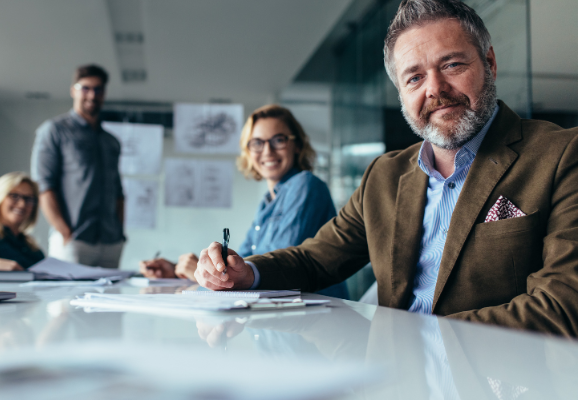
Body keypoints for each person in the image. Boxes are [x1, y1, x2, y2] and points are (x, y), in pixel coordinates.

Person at [194, 0, 578, 337]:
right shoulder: (384, 175)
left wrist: (410, 341)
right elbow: (315, 259)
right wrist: (246, 273)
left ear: (489, 62)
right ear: (401, 93)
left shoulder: (561, 154)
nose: (435, 88)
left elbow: (563, 306)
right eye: (414, 77)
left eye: (452, 64)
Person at [140, 105, 349, 299]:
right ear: (248, 151)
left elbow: (277, 270)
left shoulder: (305, 185)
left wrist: (209, 274)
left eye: (279, 140)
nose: (267, 151)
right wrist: (185, 270)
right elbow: (244, 263)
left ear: (296, 145)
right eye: (257, 143)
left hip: (318, 319)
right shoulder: (268, 201)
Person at [31, 64, 126, 269]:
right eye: (85, 88)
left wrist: (120, 232)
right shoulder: (54, 130)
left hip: (111, 242)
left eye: (98, 89)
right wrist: (65, 232)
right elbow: (44, 186)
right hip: (74, 241)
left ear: (104, 93)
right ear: (73, 90)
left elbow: (118, 191)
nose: (92, 95)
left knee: (110, 301)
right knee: (67, 301)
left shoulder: (112, 141)